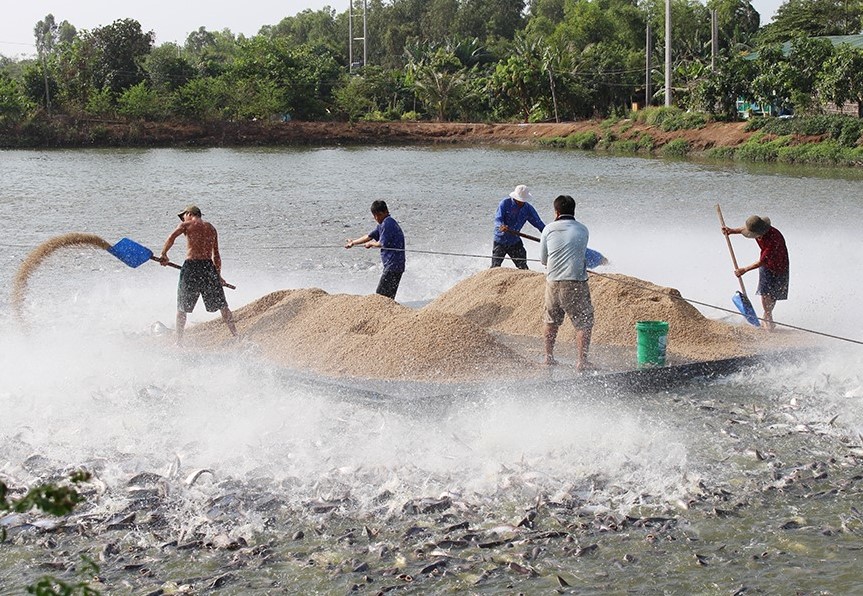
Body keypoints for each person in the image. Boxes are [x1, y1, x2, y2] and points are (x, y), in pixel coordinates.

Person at [159, 204, 238, 345]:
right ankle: (236, 336)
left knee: (182, 307)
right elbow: (216, 255)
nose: (183, 218)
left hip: (191, 267)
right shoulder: (211, 228)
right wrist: (218, 275)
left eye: (184, 215)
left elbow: (171, 237)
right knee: (223, 306)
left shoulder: (186, 225)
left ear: (190, 213)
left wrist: (164, 254)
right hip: (208, 267)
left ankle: (178, 342)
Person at [539, 194, 594, 370]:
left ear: (556, 212)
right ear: (573, 210)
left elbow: (543, 260)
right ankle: (581, 361)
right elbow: (580, 252)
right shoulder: (583, 230)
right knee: (583, 322)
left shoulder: (548, 229)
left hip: (553, 282)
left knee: (551, 321)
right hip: (576, 282)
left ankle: (548, 357)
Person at [723, 215, 789, 331]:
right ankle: (768, 318)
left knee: (773, 294)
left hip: (779, 264)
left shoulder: (772, 240)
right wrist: (732, 231)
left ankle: (767, 316)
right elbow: (745, 229)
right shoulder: (757, 228)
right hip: (767, 265)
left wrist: (744, 270)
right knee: (764, 292)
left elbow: (762, 261)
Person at [345, 200, 406, 300]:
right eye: (375, 216)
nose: (377, 218)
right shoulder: (382, 224)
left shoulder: (388, 223)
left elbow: (380, 243)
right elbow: (369, 236)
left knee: (380, 296)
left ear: (386, 212)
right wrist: (353, 242)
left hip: (393, 265)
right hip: (394, 265)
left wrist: (370, 244)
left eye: (379, 215)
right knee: (387, 296)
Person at [491, 184, 546, 269]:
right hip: (500, 240)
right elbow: (498, 219)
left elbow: (538, 224)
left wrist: (548, 234)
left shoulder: (528, 209)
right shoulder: (505, 204)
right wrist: (502, 226)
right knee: (495, 267)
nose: (521, 202)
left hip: (514, 241)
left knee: (523, 267)